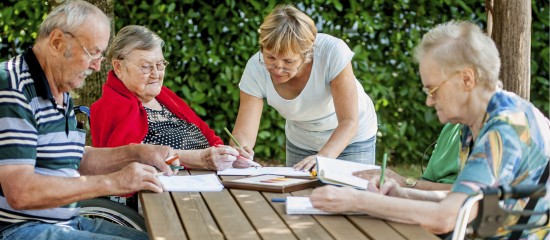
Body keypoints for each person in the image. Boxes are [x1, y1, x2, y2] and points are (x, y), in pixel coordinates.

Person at [310, 21, 550, 239]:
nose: (429, 101)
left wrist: (357, 200)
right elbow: (464, 200)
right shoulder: (481, 119)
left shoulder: (504, 129)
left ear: (467, 79)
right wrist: (403, 194)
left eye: (433, 90)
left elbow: (446, 217)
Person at [0, 1, 178, 239]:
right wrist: (112, 182)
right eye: (92, 52)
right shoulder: (13, 87)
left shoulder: (58, 88)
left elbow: (76, 159)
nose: (97, 65)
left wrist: (138, 153)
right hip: (18, 229)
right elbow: (21, 192)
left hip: (68, 220)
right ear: (57, 42)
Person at [231, 4, 378, 171]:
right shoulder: (255, 68)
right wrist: (240, 151)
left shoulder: (332, 53)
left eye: (288, 61)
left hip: (352, 139)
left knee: (351, 194)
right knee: (298, 194)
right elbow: (243, 133)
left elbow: (349, 121)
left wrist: (323, 157)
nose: (278, 69)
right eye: (270, 57)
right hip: (302, 141)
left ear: (307, 54)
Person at [91, 25, 255, 171]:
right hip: (167, 193)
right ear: (119, 67)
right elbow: (128, 159)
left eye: (160, 65)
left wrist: (229, 155)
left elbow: (208, 136)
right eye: (146, 67)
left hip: (207, 180)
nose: (156, 74)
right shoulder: (111, 105)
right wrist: (200, 159)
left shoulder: (165, 96)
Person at [353, 123, 461, 191]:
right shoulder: (452, 127)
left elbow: (465, 194)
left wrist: (404, 182)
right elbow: (427, 183)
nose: (429, 102)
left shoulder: (476, 140)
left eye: (433, 91)